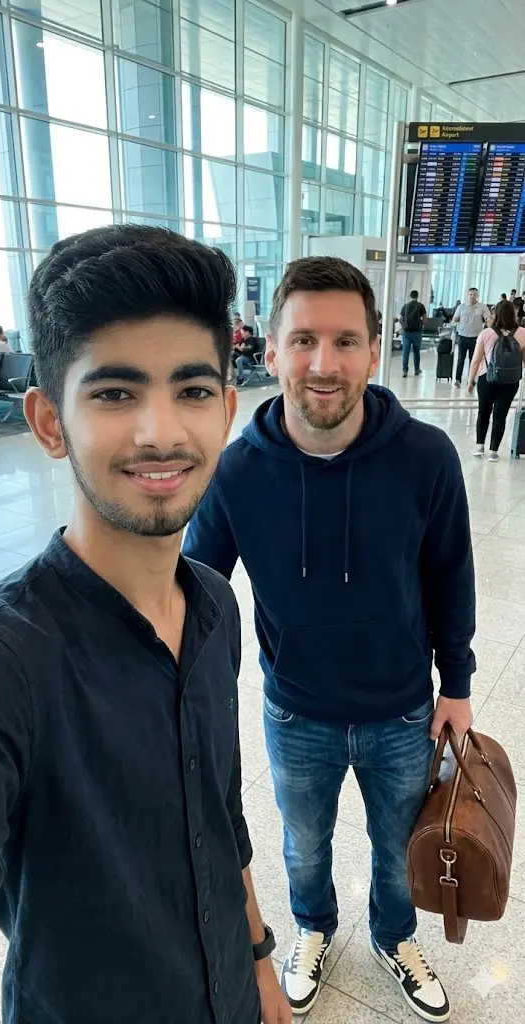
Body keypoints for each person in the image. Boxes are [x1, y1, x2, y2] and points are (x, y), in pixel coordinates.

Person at [0, 225, 290, 1024]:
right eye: (114, 392)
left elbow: (221, 813)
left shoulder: (215, 604)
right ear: (48, 421)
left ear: (228, 410)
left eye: (193, 390)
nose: (161, 432)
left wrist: (259, 960)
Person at [184, 256, 475, 1022]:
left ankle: (395, 935)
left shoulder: (425, 459)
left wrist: (459, 685)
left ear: (374, 352)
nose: (324, 363)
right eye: (304, 340)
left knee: (394, 848)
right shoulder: (238, 472)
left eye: (346, 341)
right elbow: (194, 591)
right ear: (270, 350)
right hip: (296, 713)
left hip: (403, 712)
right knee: (305, 847)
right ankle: (313, 928)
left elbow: (451, 574)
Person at [468, 299, 525, 462]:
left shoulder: (486, 333)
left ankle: (479, 446)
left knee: (484, 412)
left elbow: (476, 360)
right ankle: (494, 451)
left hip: (487, 378)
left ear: (496, 314)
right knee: (501, 415)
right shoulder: (522, 333)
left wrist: (470, 381)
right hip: (511, 381)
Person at [452, 287, 490, 388]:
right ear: (467, 295)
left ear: (477, 296)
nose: (472, 296)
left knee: (473, 359)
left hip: (476, 337)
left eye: (474, 294)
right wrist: (454, 321)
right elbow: (454, 319)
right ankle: (458, 379)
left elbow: (488, 319)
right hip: (462, 336)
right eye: (470, 294)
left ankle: (471, 379)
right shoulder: (461, 307)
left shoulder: (482, 307)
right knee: (461, 358)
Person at [399, 289, 426, 377]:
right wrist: (421, 322)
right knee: (416, 352)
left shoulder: (405, 306)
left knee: (405, 352)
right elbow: (425, 321)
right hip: (417, 333)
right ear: (417, 296)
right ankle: (417, 370)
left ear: (410, 296)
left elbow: (400, 319)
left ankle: (405, 371)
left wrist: (404, 327)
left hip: (406, 333)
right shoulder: (421, 306)